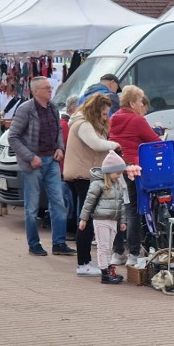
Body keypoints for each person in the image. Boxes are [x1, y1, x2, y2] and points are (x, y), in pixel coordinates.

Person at [7, 77, 76, 257]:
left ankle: (59, 243)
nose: (50, 90)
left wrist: (60, 147)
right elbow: (12, 137)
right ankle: (34, 244)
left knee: (59, 203)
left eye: (50, 87)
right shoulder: (25, 110)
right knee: (31, 206)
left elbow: (58, 130)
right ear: (35, 91)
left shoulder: (53, 108)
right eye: (46, 88)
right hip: (34, 164)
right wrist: (30, 157)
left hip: (51, 161)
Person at [63, 94, 121, 277]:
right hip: (84, 175)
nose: (106, 117)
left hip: (89, 174)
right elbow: (96, 144)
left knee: (87, 218)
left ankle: (86, 261)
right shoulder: (83, 124)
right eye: (103, 113)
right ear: (95, 111)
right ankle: (83, 263)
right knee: (86, 219)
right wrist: (115, 144)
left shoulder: (86, 123)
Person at [108, 85, 162, 266]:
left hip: (115, 169)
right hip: (132, 170)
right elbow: (155, 142)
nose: (142, 105)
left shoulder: (114, 118)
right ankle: (133, 254)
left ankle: (117, 253)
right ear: (132, 103)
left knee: (118, 211)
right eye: (140, 101)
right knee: (132, 211)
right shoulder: (137, 120)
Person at [78, 150, 127, 285]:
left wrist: (122, 221)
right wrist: (84, 219)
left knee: (108, 246)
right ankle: (104, 272)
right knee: (103, 246)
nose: (119, 176)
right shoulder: (98, 184)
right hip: (101, 219)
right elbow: (89, 203)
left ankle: (107, 269)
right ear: (109, 172)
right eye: (117, 173)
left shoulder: (118, 185)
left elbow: (121, 204)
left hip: (112, 220)